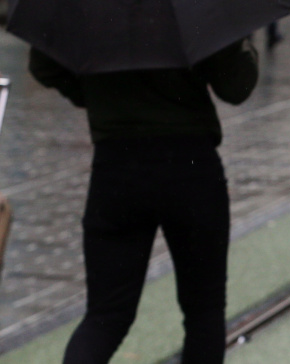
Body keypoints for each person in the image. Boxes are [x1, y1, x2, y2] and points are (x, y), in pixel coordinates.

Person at [29, 40, 258, 363]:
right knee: (204, 311)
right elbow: (237, 86)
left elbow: (43, 63)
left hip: (117, 167)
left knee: (105, 316)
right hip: (191, 166)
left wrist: (96, 94)